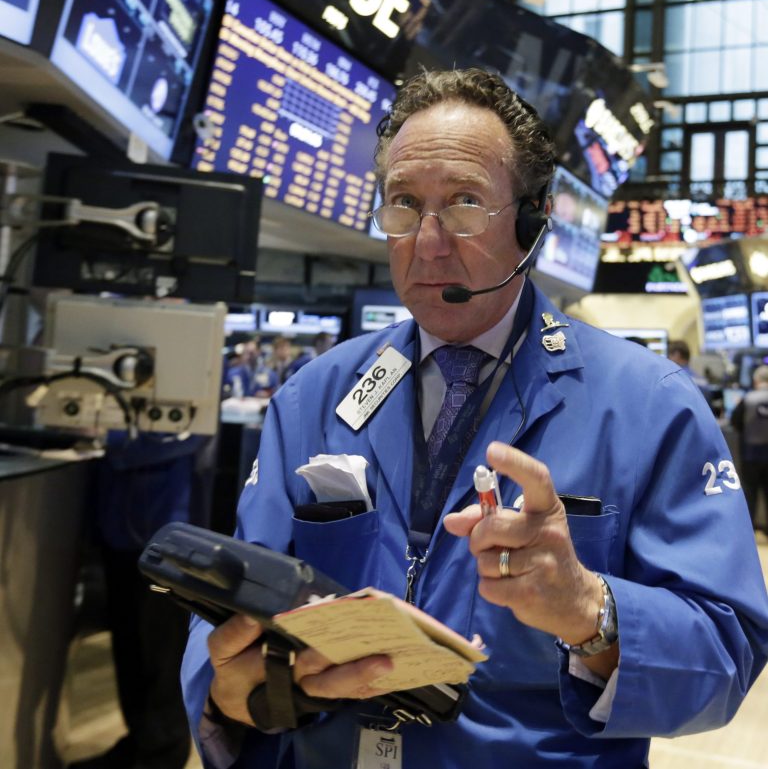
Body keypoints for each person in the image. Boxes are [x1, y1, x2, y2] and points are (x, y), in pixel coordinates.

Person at [181, 68, 768, 768]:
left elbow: (727, 649)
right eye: (403, 203)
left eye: (463, 202)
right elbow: (240, 604)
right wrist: (228, 691)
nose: (427, 242)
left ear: (533, 220)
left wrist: (591, 609)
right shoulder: (314, 394)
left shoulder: (648, 403)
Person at [70, 431, 212, 769]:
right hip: (116, 518)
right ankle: (138, 739)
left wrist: (109, 440)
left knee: (159, 651)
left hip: (166, 524)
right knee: (128, 645)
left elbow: (191, 432)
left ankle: (162, 752)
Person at [731, 364, 768, 531]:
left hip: (751, 455)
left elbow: (735, 423)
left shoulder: (747, 399)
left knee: (750, 494)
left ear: (755, 380)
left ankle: (749, 530)